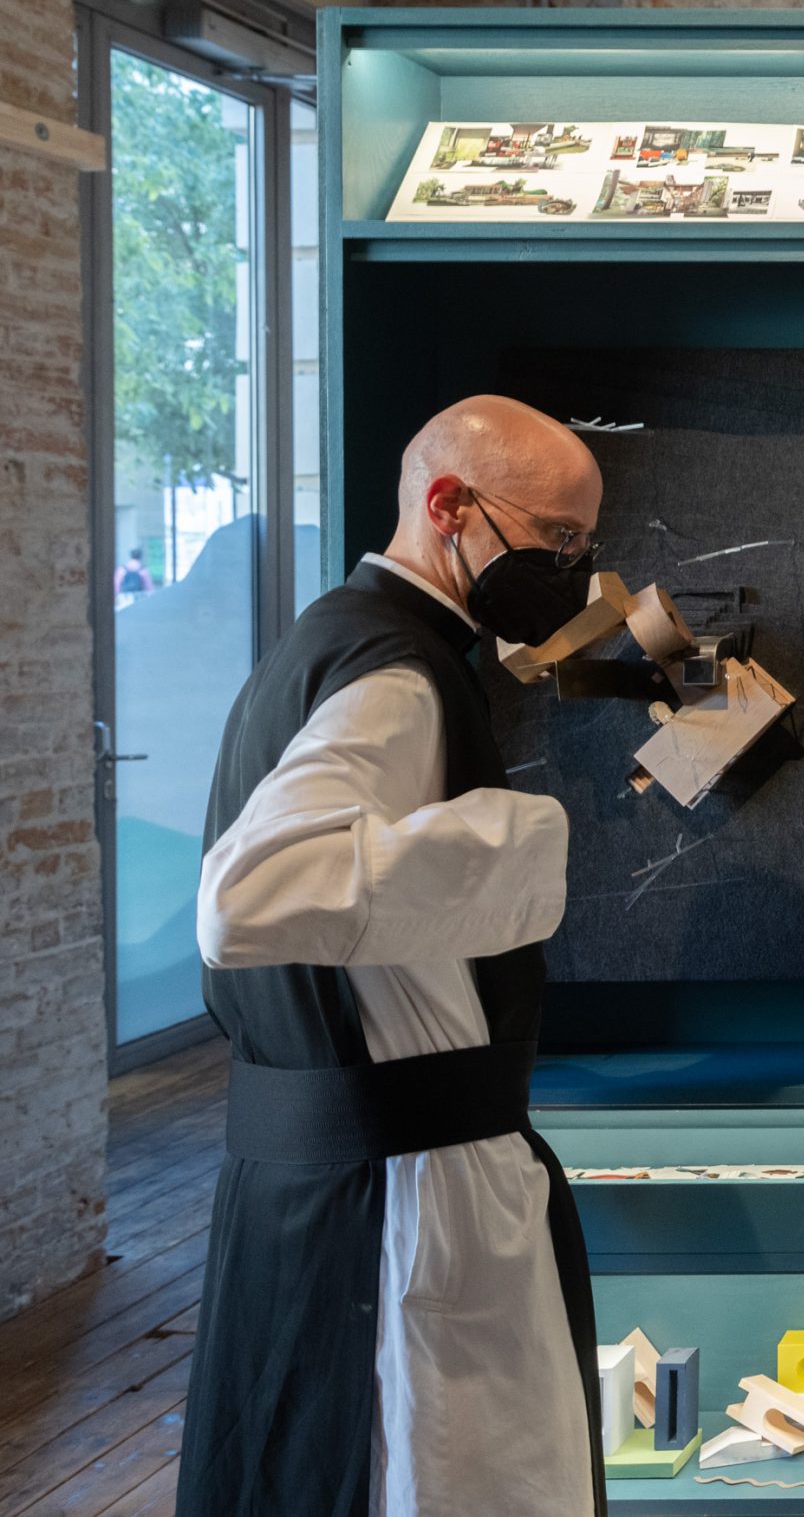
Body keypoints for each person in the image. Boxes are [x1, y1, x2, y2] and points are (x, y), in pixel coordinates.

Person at [179, 395, 609, 1517]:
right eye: (558, 539)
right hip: (403, 1195)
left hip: (316, 1178)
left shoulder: (333, 636)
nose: (570, 568)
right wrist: (532, 839)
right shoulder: (396, 675)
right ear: (446, 505)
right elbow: (249, 892)